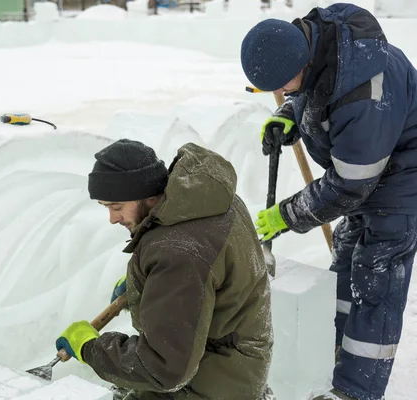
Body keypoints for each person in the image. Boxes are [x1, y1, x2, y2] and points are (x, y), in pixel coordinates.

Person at [240, 3, 417, 400]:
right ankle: (327, 353)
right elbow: (314, 88)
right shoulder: (318, 48)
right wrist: (289, 113)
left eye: (282, 85)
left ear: (298, 61)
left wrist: (287, 214)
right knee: (342, 271)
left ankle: (355, 390)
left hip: (401, 182)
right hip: (365, 174)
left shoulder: (367, 91)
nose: (277, 93)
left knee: (376, 285)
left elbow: (349, 186)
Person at [55, 139, 273, 400]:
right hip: (240, 355)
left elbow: (164, 369)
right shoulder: (207, 198)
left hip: (218, 379)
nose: (112, 219)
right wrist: (150, 283)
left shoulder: (178, 253)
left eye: (117, 207)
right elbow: (210, 269)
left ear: (147, 196)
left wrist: (90, 348)